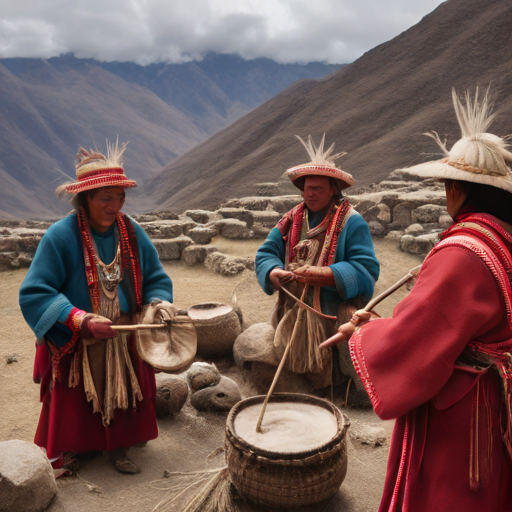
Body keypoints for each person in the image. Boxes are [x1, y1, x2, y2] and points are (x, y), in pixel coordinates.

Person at [321, 88, 512, 511]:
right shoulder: (502, 239)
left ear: (459, 190)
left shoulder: (464, 252)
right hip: (494, 397)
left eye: (448, 186)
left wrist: (364, 333)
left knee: (447, 492)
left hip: (463, 406)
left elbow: (419, 332)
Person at [19, 142, 173, 474]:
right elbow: (35, 292)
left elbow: (157, 277)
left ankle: (119, 446)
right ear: (85, 200)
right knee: (81, 396)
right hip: (81, 336)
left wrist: (159, 304)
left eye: (120, 198)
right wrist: (80, 318)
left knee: (123, 388)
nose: (115, 205)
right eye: (106, 198)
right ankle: (83, 446)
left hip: (125, 331)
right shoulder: (60, 237)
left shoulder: (131, 232)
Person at [255, 135, 379, 389]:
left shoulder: (351, 222)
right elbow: (266, 252)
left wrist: (326, 275)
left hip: (330, 312)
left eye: (317, 189)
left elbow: (367, 270)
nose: (309, 195)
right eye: (306, 189)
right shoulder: (292, 219)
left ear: (333, 189)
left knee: (332, 376)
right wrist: (272, 271)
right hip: (291, 307)